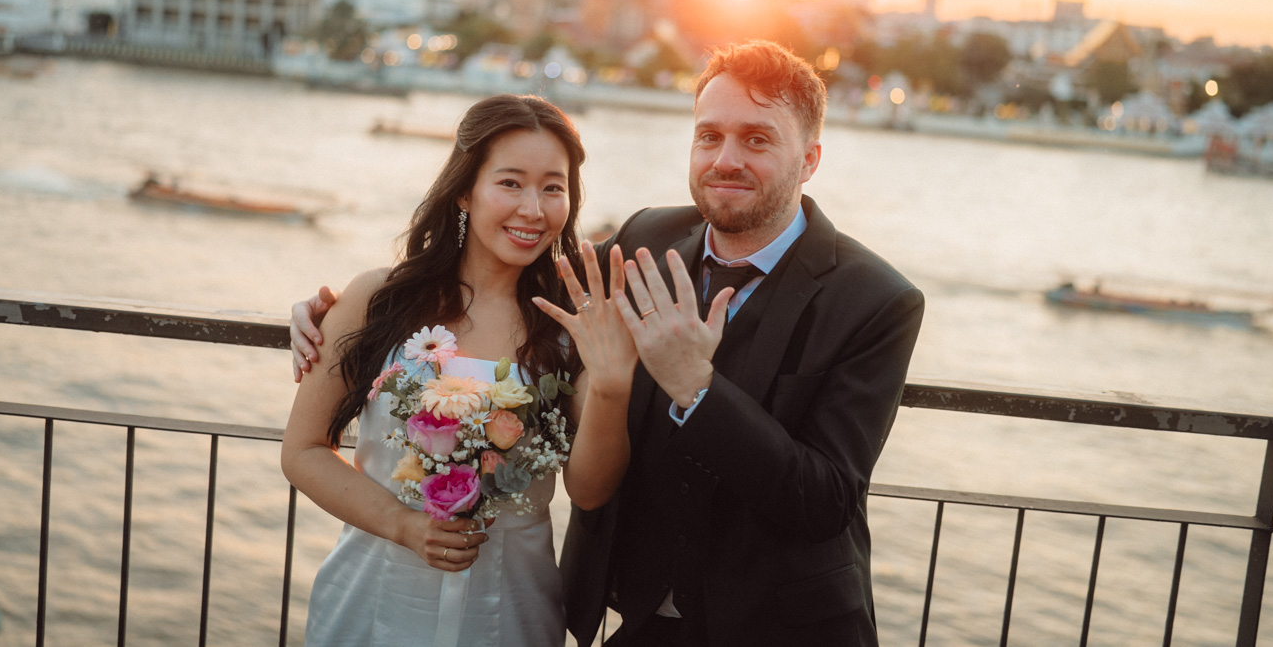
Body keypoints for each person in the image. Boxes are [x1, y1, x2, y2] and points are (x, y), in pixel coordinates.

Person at [292, 41, 924, 646]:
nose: (726, 158)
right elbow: (519, 264)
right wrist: (331, 312)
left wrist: (696, 390)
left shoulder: (877, 300)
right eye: (710, 136)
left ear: (810, 158)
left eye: (757, 139)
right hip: (636, 618)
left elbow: (826, 500)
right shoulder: (645, 238)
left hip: (776, 626)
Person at [281, 93, 658, 647]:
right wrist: (404, 525)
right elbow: (303, 451)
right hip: (371, 600)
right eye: (510, 183)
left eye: (554, 187)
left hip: (510, 612)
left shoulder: (571, 325)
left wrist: (611, 382)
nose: (534, 208)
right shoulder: (375, 299)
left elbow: (589, 490)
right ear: (464, 190)